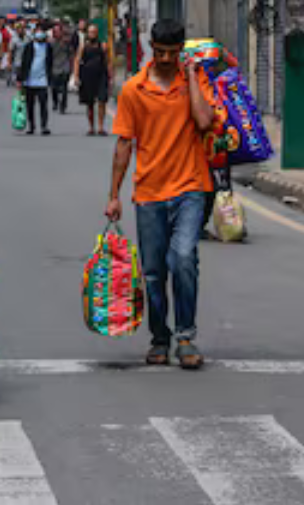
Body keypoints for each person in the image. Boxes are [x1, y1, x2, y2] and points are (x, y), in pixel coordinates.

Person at [104, 19, 217, 369]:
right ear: (150, 49)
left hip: (191, 188)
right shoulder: (133, 90)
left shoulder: (194, 82)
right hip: (149, 191)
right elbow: (124, 143)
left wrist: (194, 77)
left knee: (183, 258)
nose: (166, 58)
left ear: (181, 51)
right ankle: (159, 338)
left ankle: (185, 336)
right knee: (153, 271)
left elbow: (203, 122)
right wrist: (114, 195)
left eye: (173, 52)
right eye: (160, 52)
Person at [17, 23, 55, 136]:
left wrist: (50, 78)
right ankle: (31, 126)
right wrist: (20, 79)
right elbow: (24, 63)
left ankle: (44, 126)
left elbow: (50, 63)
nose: (39, 33)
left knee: (43, 104)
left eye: (41, 31)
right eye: (37, 31)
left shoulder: (48, 47)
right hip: (29, 80)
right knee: (30, 105)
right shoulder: (29, 46)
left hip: (43, 80)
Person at [76, 23, 113, 136]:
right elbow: (77, 61)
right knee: (90, 103)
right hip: (87, 76)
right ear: (88, 33)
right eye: (91, 32)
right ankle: (91, 127)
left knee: (102, 101)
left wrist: (111, 76)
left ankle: (101, 127)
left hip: (101, 75)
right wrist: (76, 76)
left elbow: (108, 61)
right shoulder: (83, 46)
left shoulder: (103, 45)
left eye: (94, 32)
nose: (92, 34)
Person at [50, 21, 75, 115]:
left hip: (65, 66)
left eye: (58, 31)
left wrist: (72, 67)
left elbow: (71, 54)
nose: (57, 33)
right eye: (55, 31)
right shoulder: (50, 43)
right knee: (54, 88)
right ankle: (55, 101)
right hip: (54, 67)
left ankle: (63, 106)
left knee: (64, 88)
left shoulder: (67, 42)